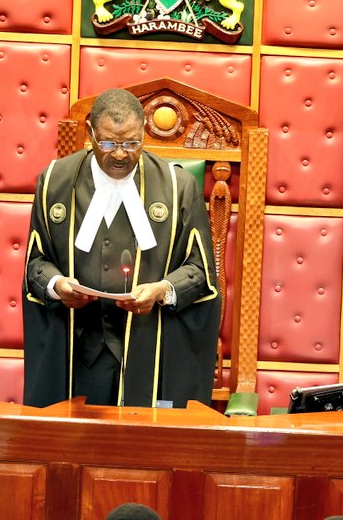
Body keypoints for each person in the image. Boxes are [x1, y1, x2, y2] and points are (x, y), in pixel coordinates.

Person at [22, 88, 221, 408]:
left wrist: (162, 289)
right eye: (108, 143)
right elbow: (36, 262)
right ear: (89, 134)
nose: (119, 154)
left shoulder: (178, 186)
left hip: (149, 349)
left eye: (131, 143)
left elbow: (201, 273)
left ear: (143, 132)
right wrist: (58, 286)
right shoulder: (54, 182)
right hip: (77, 351)